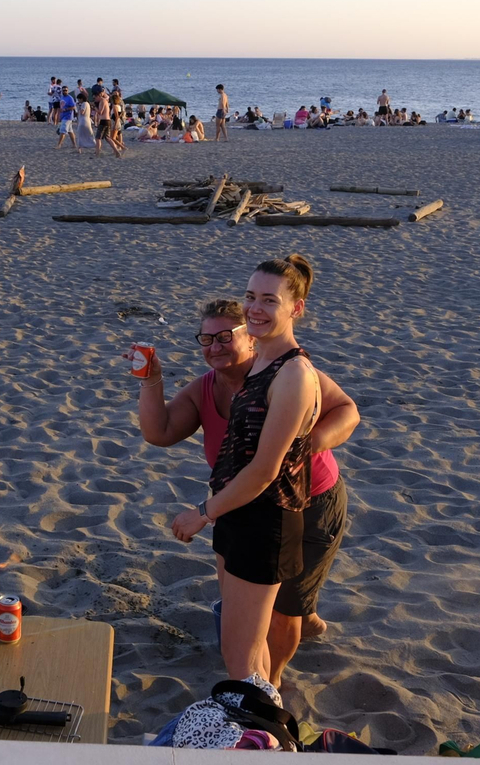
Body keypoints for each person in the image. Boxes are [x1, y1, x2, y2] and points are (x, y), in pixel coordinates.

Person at [134, 299, 357, 687]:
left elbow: (347, 410)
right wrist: (152, 379)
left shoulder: (286, 373)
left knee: (282, 613)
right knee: (252, 612)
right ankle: (292, 633)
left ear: (250, 338)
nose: (214, 346)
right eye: (206, 339)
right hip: (241, 504)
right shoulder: (205, 389)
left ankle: (277, 679)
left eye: (225, 336)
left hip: (310, 500)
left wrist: (305, 445)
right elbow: (160, 432)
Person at [168, 257, 322, 684]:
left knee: (241, 656)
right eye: (251, 296)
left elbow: (265, 471)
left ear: (297, 308)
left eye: (270, 300)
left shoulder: (293, 373)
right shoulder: (259, 361)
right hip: (239, 515)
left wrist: (203, 512)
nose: (255, 307)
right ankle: (264, 735)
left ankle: (263, 742)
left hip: (264, 520)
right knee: (246, 655)